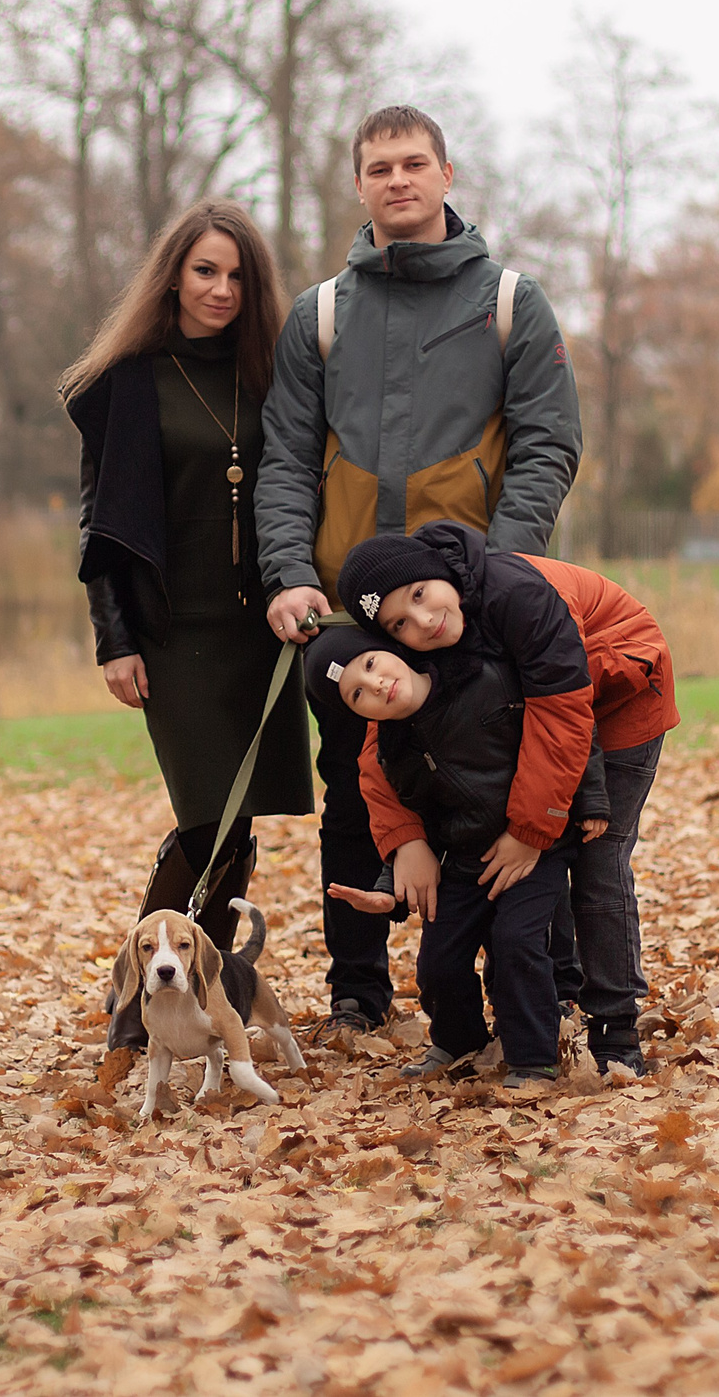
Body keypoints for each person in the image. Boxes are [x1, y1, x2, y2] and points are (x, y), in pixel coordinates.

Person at [255, 105, 584, 1035]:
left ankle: (546, 985)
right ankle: (359, 992)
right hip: (350, 609)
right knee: (356, 791)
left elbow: (548, 445)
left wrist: (503, 571)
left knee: (510, 778)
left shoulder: (512, 302)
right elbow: (283, 457)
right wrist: (288, 573)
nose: (397, 180)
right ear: (358, 185)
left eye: (413, 163)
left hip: (473, 602)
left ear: (447, 173)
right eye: (378, 168)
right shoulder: (320, 315)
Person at [65, 199, 315, 1060]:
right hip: (172, 633)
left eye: (238, 275)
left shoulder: (271, 370)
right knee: (209, 816)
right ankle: (137, 1001)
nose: (221, 288)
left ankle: (200, 999)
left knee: (240, 826)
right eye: (206, 270)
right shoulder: (127, 380)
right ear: (173, 272)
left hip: (260, 632)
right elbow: (101, 525)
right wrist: (114, 637)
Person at [336, 522, 676, 1080]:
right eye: (400, 621)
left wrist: (529, 830)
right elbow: (382, 744)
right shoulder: (411, 646)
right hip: (536, 711)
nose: (423, 621)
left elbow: (562, 714)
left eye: (421, 595)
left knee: (594, 860)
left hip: (616, 682)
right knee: (527, 870)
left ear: (436, 570)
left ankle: (616, 1030)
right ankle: (548, 1007)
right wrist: (407, 842)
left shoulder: (517, 594)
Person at [305, 627, 606, 1087]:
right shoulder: (394, 750)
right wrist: (390, 889)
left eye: (369, 666)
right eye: (357, 695)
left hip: (533, 848)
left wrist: (591, 801)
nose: (376, 686)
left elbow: (561, 736)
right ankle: (459, 1040)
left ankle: (533, 1058)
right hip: (463, 860)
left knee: (516, 944)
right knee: (438, 962)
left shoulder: (481, 679)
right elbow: (415, 831)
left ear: (390, 651)